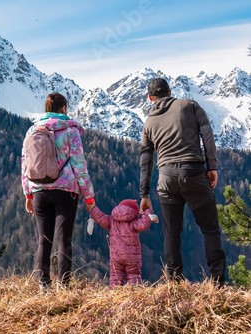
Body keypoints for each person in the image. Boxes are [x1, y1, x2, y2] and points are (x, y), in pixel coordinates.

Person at [139, 78, 226, 286]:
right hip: (194, 173)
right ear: (170, 91)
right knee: (210, 229)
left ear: (150, 98)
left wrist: (144, 194)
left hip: (166, 179)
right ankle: (217, 283)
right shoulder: (189, 105)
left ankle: (174, 283)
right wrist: (211, 167)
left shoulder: (149, 122)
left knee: (172, 232)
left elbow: (145, 160)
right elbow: (207, 135)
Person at [22, 93, 95, 291]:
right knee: (64, 240)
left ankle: (44, 285)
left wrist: (28, 194)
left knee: (43, 241)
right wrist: (89, 196)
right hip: (65, 191)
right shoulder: (71, 131)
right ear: (63, 108)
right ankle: (64, 287)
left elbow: (25, 165)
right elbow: (79, 165)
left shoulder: (32, 130)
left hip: (39, 191)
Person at [88, 199, 158, 286]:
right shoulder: (134, 222)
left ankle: (115, 294)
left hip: (116, 256)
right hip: (131, 257)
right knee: (133, 275)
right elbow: (144, 224)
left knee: (115, 277)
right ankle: (133, 294)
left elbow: (100, 217)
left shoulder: (111, 221)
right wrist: (147, 210)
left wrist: (93, 209)